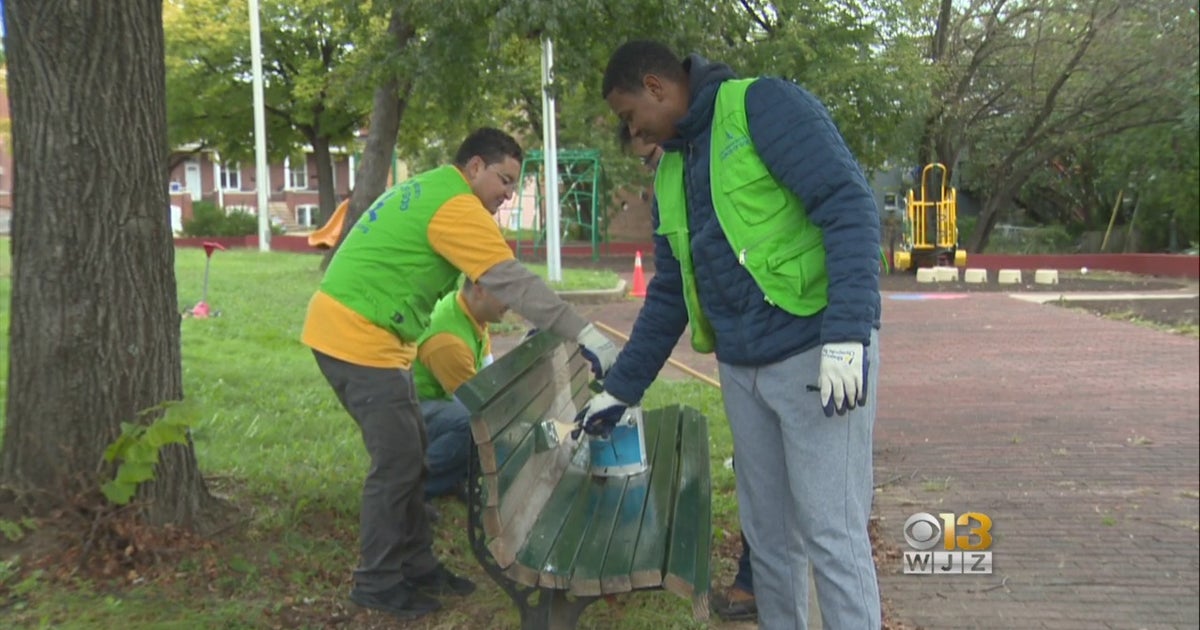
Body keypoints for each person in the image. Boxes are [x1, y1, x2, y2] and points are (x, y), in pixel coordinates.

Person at [581, 41, 882, 628]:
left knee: (831, 535)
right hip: (742, 368)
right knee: (768, 541)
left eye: (628, 114)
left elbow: (848, 205)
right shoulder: (673, 168)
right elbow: (669, 293)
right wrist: (621, 390)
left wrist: (848, 333)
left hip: (815, 354)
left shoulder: (762, 106)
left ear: (657, 86)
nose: (632, 129)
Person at [302, 127, 619, 621]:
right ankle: (378, 582)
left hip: (376, 338)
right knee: (396, 466)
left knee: (413, 460)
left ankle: (418, 565)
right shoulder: (456, 206)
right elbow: (510, 281)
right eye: (504, 180)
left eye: (515, 184)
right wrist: (585, 334)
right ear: (474, 167)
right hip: (355, 336)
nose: (508, 193)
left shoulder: (434, 189)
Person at [619, 121, 758, 622]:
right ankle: (757, 577)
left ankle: (758, 579)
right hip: (741, 352)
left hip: (793, 345)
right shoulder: (673, 191)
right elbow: (669, 292)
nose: (653, 167)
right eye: (645, 160)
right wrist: (620, 389)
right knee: (756, 469)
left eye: (653, 152)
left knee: (793, 490)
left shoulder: (726, 164)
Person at [411, 277, 507, 502]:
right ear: (480, 290)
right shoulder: (449, 340)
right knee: (474, 426)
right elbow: (479, 404)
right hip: (410, 408)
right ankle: (409, 492)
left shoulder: (471, 315)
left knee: (483, 422)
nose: (512, 300)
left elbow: (487, 377)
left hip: (440, 400)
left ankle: (452, 477)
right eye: (505, 290)